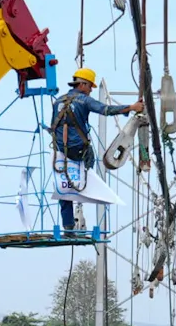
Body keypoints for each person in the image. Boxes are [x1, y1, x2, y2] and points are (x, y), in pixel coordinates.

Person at [50, 69, 143, 233]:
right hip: (80, 151)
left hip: (60, 152)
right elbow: (105, 110)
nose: (90, 90)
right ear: (82, 84)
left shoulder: (58, 101)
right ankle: (89, 189)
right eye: (89, 87)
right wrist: (132, 107)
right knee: (87, 174)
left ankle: (68, 226)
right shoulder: (84, 100)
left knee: (63, 187)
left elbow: (53, 126)